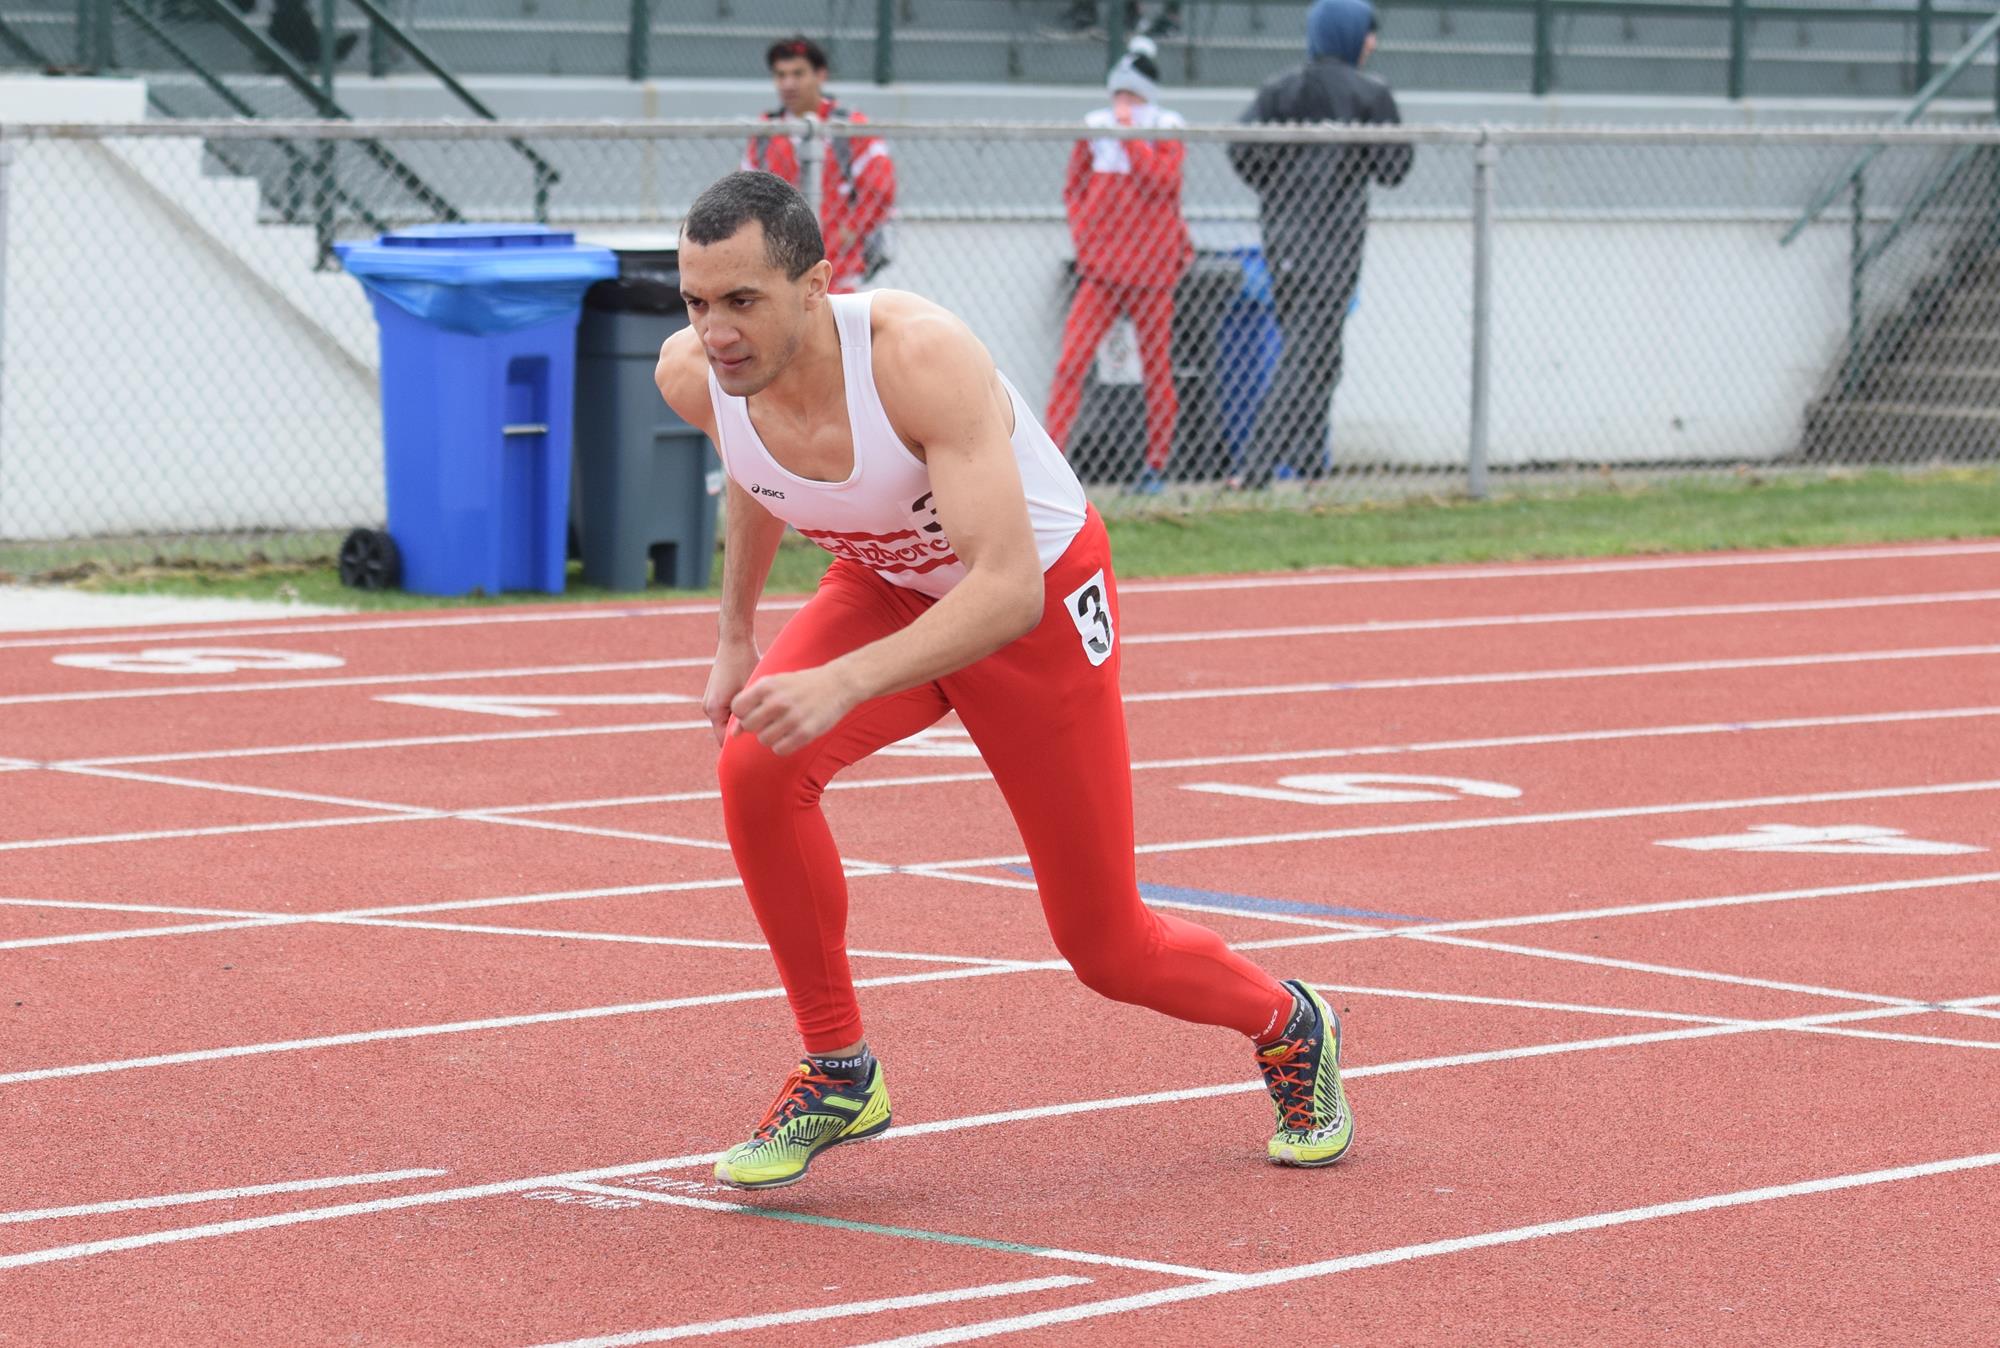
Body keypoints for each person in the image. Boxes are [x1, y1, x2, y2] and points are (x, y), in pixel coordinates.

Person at [653, 170, 1354, 1190]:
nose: (716, 331)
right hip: (889, 582)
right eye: (696, 302)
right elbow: (762, 475)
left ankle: (1290, 1023)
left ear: (816, 287)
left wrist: (842, 681)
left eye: (742, 301)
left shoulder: (917, 357)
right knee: (755, 764)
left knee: (1106, 946)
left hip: (1028, 604)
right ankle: (839, 1066)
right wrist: (734, 634)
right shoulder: (695, 374)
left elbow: (1004, 591)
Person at [1229, 0, 1410, 488]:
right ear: (1348, 34)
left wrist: (1280, 182)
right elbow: (1395, 169)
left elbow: (1240, 152)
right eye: (1366, 33)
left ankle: (1310, 465)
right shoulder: (1369, 92)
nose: (1372, 43)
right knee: (1306, 356)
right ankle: (1256, 469)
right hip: (1334, 250)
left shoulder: (1280, 89)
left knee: (1323, 357)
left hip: (1283, 243)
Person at [1044, 38, 1193, 493]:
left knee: (1156, 368)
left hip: (1153, 273)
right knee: (1072, 363)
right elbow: (1074, 188)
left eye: (1132, 95)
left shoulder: (1166, 128)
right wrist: (1085, 233)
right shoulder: (1095, 129)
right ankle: (1049, 464)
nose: (1122, 104)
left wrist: (1132, 141)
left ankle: (1156, 465)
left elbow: (1162, 184)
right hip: (1102, 270)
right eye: (1118, 95)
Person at [742, 35, 896, 294]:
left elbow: (880, 188)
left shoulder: (849, 127)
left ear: (820, 75)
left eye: (798, 73)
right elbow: (745, 196)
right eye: (781, 75)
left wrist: (848, 233)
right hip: (779, 270)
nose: (788, 83)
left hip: (841, 273)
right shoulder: (766, 132)